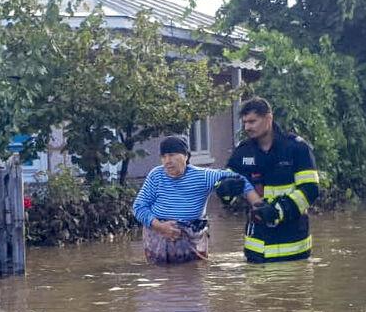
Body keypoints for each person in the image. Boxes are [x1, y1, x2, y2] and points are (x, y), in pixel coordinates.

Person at [219, 97, 320, 263]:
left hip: (293, 250)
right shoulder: (243, 152)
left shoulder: (296, 148)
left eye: (252, 121)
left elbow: (310, 190)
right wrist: (224, 189)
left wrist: (278, 210)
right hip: (256, 252)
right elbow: (225, 188)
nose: (247, 127)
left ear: (268, 118)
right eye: (245, 122)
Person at [133, 135, 259, 264]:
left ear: (186, 156)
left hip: (192, 240)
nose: (167, 161)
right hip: (158, 238)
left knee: (194, 274)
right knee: (160, 276)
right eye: (163, 157)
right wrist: (160, 227)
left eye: (171, 155)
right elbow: (138, 207)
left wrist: (257, 205)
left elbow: (241, 180)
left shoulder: (203, 176)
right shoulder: (156, 175)